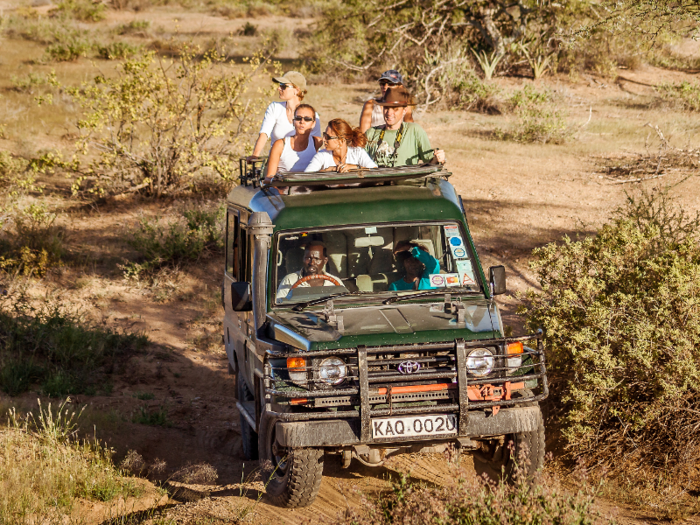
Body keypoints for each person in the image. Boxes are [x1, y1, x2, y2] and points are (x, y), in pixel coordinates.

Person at [248, 71, 321, 161]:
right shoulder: (275, 108)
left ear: (296, 90)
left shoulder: (311, 115)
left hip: (303, 164)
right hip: (277, 163)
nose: (279, 88)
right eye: (280, 85)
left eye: (283, 86)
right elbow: (264, 134)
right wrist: (255, 155)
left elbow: (316, 144)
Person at [365, 88, 446, 168]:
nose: (389, 113)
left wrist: (438, 158)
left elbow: (430, 162)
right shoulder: (371, 133)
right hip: (377, 181)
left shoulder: (414, 131)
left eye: (395, 109)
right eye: (386, 108)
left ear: (404, 110)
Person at [264, 104, 323, 179]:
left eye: (307, 119)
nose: (302, 122)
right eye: (298, 118)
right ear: (293, 122)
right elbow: (269, 177)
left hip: (309, 188)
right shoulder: (280, 145)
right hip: (284, 189)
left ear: (313, 124)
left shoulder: (317, 142)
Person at [276, 242, 342, 303]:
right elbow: (279, 305)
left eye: (317, 259)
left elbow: (344, 303)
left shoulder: (335, 282)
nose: (312, 263)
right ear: (303, 259)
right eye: (308, 258)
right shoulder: (290, 280)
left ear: (325, 261)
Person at [305, 118, 377, 173]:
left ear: (341, 141)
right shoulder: (322, 155)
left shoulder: (357, 152)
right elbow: (307, 176)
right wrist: (329, 170)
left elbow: (375, 171)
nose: (323, 139)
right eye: (324, 135)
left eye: (328, 137)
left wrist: (355, 167)